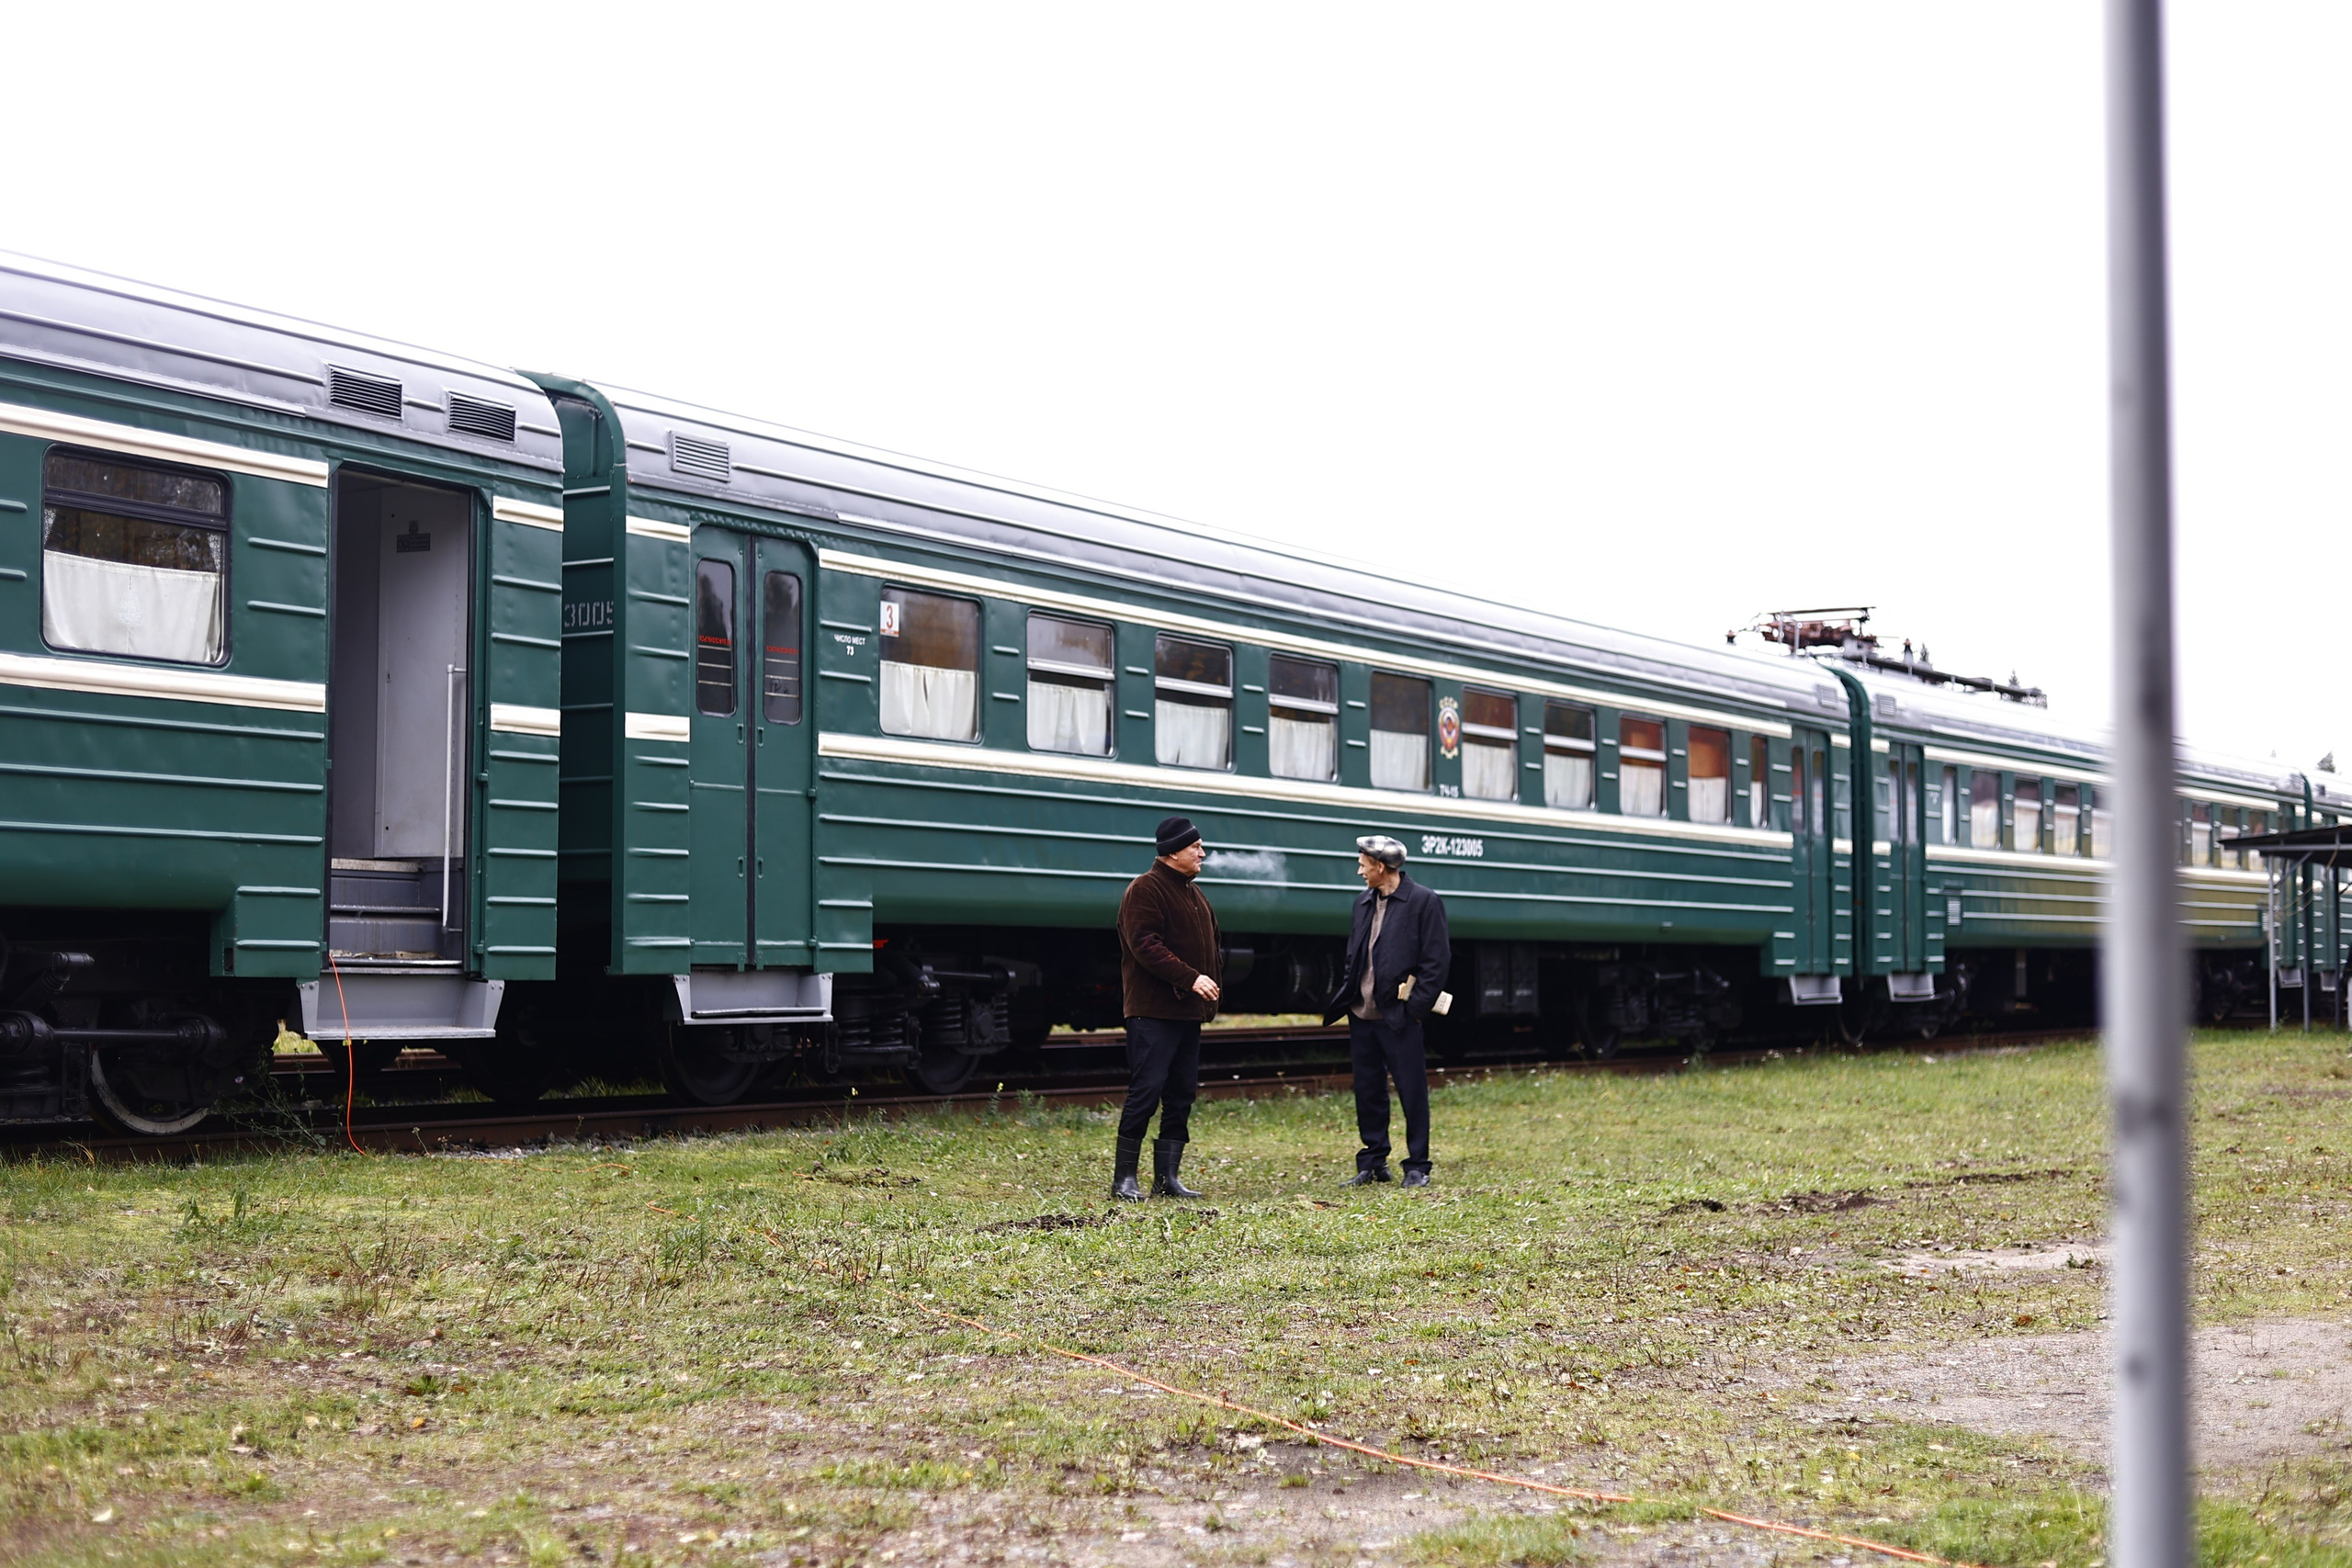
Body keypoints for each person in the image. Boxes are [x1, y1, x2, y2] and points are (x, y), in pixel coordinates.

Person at [1322, 833, 1450, 1187]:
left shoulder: (1424, 902)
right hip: (1362, 1015)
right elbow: (1354, 956)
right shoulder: (1362, 902)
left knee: (1412, 1090)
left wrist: (1415, 1011)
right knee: (1368, 1089)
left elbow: (1436, 964)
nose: (1359, 870)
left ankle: (1417, 1165)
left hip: (1400, 1018)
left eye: (1364, 864)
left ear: (1381, 867)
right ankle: (1373, 1162)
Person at [1111, 815, 1222, 1201]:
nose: (1202, 853)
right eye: (1196, 847)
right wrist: (1190, 978)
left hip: (1186, 1014)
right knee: (1147, 1090)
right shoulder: (1145, 889)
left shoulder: (1194, 894)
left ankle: (1167, 1179)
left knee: (1181, 1094)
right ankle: (1124, 1178)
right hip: (1152, 1013)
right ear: (1173, 852)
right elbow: (1145, 945)